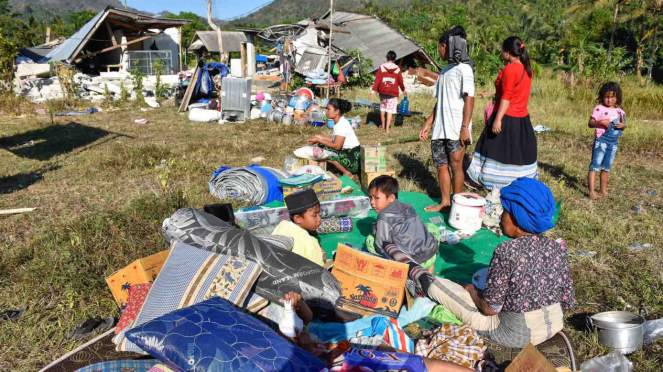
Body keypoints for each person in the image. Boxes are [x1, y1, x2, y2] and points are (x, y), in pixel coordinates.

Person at [384, 178, 575, 348]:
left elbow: (490, 309)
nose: (501, 217)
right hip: (555, 323)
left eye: (505, 212)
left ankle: (417, 273)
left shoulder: (507, 251)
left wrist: (472, 292)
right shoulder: (557, 247)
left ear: (517, 218)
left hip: (517, 335)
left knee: (439, 286)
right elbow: (567, 301)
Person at [466, 36, 536, 190]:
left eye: (502, 51)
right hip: (522, 118)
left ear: (507, 52)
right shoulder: (526, 68)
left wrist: (498, 119)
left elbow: (507, 96)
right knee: (515, 151)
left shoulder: (511, 69)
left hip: (507, 115)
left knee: (492, 148)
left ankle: (487, 181)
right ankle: (516, 181)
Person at [419, 26, 475, 212]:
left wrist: (465, 127)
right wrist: (428, 123)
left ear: (445, 46)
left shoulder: (465, 69)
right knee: (441, 165)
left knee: (456, 165)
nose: (439, 51)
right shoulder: (444, 72)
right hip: (440, 129)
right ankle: (445, 202)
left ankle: (457, 205)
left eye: (440, 47)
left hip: (456, 128)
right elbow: (439, 102)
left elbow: (469, 99)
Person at [368, 175, 439, 274]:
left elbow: (381, 245)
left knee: (370, 241)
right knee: (431, 227)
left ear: (391, 197)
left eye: (376, 198)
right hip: (431, 251)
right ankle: (430, 267)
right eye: (370, 198)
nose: (372, 202)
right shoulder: (407, 207)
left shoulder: (383, 217)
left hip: (413, 263)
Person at [587, 82, 626, 200]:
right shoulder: (599, 109)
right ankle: (592, 192)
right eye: (607, 97)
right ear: (602, 97)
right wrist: (601, 122)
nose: (609, 100)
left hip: (613, 143)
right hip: (601, 141)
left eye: (612, 97)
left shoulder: (620, 112)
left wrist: (622, 126)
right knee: (595, 165)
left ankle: (603, 190)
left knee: (607, 167)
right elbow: (590, 123)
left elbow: (624, 125)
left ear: (617, 97)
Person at [271, 189, 326, 266]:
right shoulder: (311, 243)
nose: (319, 218)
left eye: (319, 214)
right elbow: (319, 269)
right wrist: (322, 257)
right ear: (298, 218)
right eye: (314, 215)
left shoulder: (282, 225)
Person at [307, 99, 361, 177]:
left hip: (354, 160)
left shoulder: (342, 125)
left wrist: (320, 140)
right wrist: (321, 138)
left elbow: (337, 146)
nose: (326, 111)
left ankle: (347, 173)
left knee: (325, 151)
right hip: (350, 154)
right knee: (322, 146)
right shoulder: (340, 122)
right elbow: (336, 140)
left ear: (337, 111)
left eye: (328, 109)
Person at [369, 51, 407, 133]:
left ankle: (382, 126)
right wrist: (403, 90)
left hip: (383, 91)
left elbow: (377, 80)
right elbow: (400, 81)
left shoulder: (382, 67)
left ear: (387, 57)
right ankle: (387, 129)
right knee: (389, 110)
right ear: (394, 58)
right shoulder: (397, 69)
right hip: (392, 93)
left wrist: (372, 91)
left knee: (383, 108)